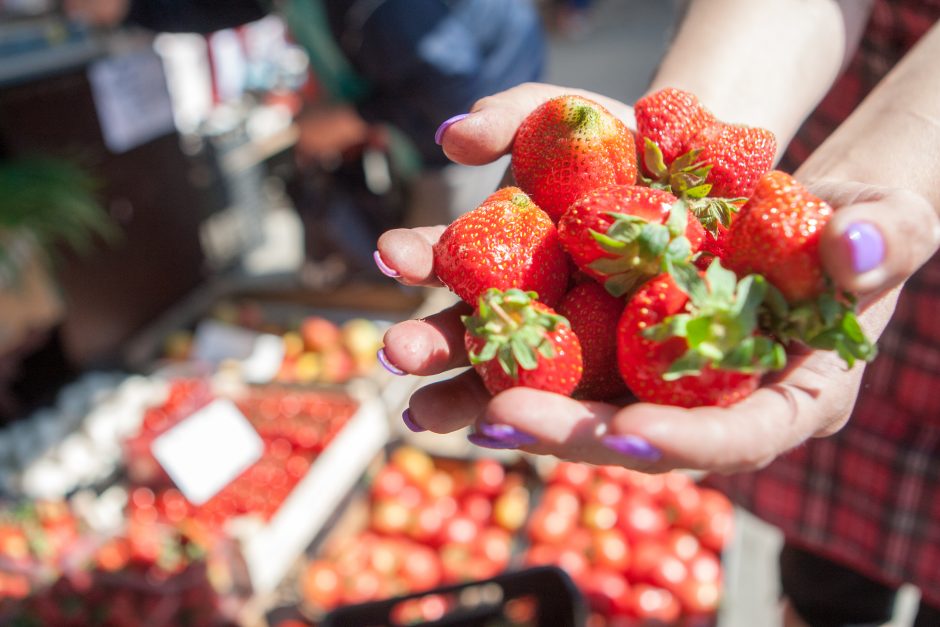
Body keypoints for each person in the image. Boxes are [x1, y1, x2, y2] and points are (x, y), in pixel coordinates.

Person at [373, 0, 940, 624]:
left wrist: (888, 179)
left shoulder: (734, 270)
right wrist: (684, 147)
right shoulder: (716, 259)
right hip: (791, 234)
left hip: (874, 210)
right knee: (827, 578)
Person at [64, 0, 547, 263]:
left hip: (470, 115)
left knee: (453, 253)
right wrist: (131, 8)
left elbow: (451, 90)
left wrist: (351, 119)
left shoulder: (396, 14)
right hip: (415, 96)